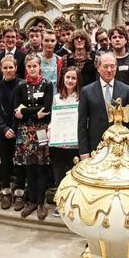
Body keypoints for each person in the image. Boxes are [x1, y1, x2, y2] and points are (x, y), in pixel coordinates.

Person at [12, 54, 53, 220]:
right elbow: (16, 110)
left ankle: (41, 201)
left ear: (39, 67)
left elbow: (47, 108)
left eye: (34, 66)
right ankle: (32, 201)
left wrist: (26, 112)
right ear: (26, 68)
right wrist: (35, 112)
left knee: (42, 166)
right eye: (29, 66)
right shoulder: (20, 86)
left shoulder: (47, 85)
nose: (32, 69)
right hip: (25, 132)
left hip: (42, 131)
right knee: (29, 167)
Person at [78, 53, 129, 157]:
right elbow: (82, 124)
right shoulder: (86, 91)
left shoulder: (127, 90)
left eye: (112, 66)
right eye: (105, 66)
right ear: (98, 68)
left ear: (116, 67)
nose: (109, 70)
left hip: (121, 147)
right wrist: (84, 151)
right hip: (95, 147)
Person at [0, 56, 24, 210]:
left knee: (19, 163)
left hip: (19, 131)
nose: (8, 70)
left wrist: (14, 129)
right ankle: (6, 192)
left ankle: (19, 193)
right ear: (1, 69)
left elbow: (23, 109)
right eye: (5, 68)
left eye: (11, 67)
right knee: (5, 163)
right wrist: (4, 128)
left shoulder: (22, 84)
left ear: (16, 68)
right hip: (2, 131)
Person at [49, 67, 81, 216]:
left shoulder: (81, 97)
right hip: (58, 143)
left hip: (75, 143)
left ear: (77, 81)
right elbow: (53, 119)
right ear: (63, 78)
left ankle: (74, 203)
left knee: (73, 175)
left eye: (73, 78)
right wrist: (50, 130)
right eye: (68, 77)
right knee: (59, 174)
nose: (70, 81)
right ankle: (60, 203)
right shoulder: (56, 98)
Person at [39, 29, 62, 94]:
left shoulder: (60, 60)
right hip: (39, 98)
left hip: (56, 98)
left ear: (56, 42)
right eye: (46, 40)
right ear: (41, 41)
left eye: (52, 41)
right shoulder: (35, 59)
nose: (49, 43)